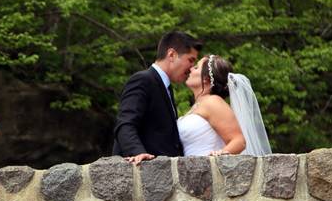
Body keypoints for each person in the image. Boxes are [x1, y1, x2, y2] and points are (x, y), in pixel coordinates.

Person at [113, 31, 203, 165]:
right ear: (172, 54)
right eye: (190, 60)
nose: (191, 69)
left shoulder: (166, 87)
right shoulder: (143, 80)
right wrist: (137, 152)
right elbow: (125, 123)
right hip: (142, 172)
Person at [179, 54, 272, 156]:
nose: (191, 69)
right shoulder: (198, 105)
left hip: (205, 168)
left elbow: (239, 141)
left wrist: (217, 156)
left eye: (196, 67)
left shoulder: (213, 102)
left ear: (206, 79)